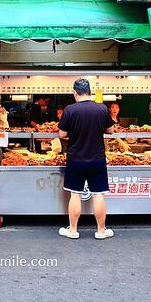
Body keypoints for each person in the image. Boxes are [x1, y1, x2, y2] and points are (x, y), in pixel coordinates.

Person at [58, 79, 115, 240]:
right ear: (90, 92)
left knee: (75, 195)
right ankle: (101, 231)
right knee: (98, 195)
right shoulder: (101, 108)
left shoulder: (70, 110)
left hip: (75, 159)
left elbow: (61, 134)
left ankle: (73, 230)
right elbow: (110, 130)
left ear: (75, 93)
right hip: (97, 158)